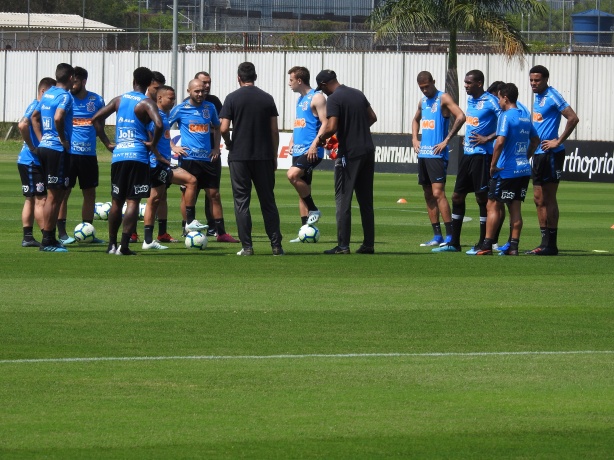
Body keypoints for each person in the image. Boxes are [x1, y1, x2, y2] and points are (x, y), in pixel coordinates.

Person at [92, 66, 165, 255]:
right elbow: (159, 123)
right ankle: (124, 246)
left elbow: (95, 119)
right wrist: (153, 144)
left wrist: (107, 143)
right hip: (138, 156)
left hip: (119, 156)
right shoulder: (146, 102)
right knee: (133, 201)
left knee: (116, 201)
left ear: (134, 81)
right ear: (149, 84)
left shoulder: (119, 100)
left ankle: (111, 245)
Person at [219, 62, 283, 256]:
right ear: (255, 76)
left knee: (241, 202)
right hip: (263, 156)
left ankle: (247, 246)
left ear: (239, 77)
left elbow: (223, 128)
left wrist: (229, 143)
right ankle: (276, 246)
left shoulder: (232, 98)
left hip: (240, 156)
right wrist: (274, 155)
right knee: (268, 201)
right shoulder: (267, 98)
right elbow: (274, 130)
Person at [434, 70, 500, 253]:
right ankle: (454, 242)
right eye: (465, 82)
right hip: (467, 154)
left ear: (479, 83)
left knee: (482, 198)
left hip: (482, 155)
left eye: (469, 83)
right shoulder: (471, 100)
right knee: (457, 196)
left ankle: (483, 242)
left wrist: (488, 138)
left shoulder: (491, 101)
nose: (465, 85)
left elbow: (506, 121)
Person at [315, 69, 378, 255]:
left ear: (325, 85)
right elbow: (372, 117)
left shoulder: (334, 98)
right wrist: (357, 129)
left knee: (343, 199)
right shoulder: (357, 93)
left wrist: (320, 139)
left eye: (322, 88)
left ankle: (343, 245)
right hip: (367, 149)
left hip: (349, 153)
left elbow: (332, 126)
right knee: (366, 200)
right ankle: (368, 244)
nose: (323, 92)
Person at [475, 83, 539, 256]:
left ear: (505, 98)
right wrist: (525, 157)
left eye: (499, 98)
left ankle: (487, 244)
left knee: (493, 204)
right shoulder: (525, 116)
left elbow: (500, 142)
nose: (498, 101)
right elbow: (535, 140)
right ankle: (513, 246)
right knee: (515, 208)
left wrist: (493, 164)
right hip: (523, 170)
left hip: (506, 170)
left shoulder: (506, 116)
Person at [170, 78, 237, 242]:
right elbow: (162, 127)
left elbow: (216, 127)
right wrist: (173, 146)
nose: (200, 94)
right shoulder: (180, 109)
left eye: (203, 91)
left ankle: (221, 233)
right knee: (187, 195)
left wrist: (216, 147)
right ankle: (187, 228)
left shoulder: (210, 107)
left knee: (214, 195)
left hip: (207, 159)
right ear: (189, 91)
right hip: (189, 159)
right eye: (197, 91)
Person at [526, 65, 579, 256]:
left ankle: (552, 244)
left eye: (537, 80)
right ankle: (544, 243)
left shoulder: (552, 95)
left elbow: (572, 118)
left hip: (550, 154)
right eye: (531, 80)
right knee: (538, 199)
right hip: (539, 153)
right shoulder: (538, 97)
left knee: (549, 198)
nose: (533, 83)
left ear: (546, 80)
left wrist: (558, 141)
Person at [142, 85, 203, 250]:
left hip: (160, 163)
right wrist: (159, 157)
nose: (173, 101)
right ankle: (189, 222)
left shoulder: (163, 116)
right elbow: (149, 138)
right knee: (191, 180)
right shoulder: (156, 116)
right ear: (160, 98)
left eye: (174, 98)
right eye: (170, 98)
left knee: (155, 200)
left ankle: (148, 241)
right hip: (155, 164)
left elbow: (161, 138)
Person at [411, 71, 465, 247]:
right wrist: (414, 138)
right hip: (424, 154)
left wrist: (447, 140)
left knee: (438, 193)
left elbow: (461, 116)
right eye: (422, 88)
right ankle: (437, 236)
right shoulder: (423, 101)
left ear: (433, 82)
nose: (425, 90)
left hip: (437, 154)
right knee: (428, 194)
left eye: (427, 86)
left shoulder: (443, 98)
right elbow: (415, 120)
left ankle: (450, 236)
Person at [57, 66, 106, 245]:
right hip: (69, 154)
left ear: (83, 81)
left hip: (88, 155)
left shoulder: (96, 100)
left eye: (75, 82)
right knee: (63, 193)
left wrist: (107, 142)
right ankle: (62, 233)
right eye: (71, 81)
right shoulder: (65, 98)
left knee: (90, 193)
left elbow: (100, 125)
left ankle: (88, 231)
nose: (72, 85)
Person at [30, 63, 75, 252]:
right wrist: (62, 139)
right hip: (57, 149)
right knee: (54, 196)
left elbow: (34, 116)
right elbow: (58, 117)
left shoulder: (47, 93)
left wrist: (41, 140)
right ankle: (48, 240)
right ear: (71, 77)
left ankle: (51, 239)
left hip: (44, 148)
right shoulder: (65, 96)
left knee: (53, 195)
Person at [286, 66, 328, 242]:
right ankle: (305, 230)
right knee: (302, 189)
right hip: (299, 149)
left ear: (299, 81)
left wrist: (315, 145)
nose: (289, 84)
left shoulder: (317, 97)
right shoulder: (299, 99)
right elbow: (301, 123)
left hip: (312, 151)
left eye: (291, 80)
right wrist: (292, 141)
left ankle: (314, 209)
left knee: (292, 175)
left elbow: (325, 123)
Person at [17, 77, 56, 247]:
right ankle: (46, 238)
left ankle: (27, 237)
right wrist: (33, 147)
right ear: (43, 91)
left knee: (30, 199)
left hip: (25, 161)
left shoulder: (37, 106)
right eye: (51, 92)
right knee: (41, 200)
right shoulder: (36, 106)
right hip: (31, 161)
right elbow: (22, 125)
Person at [193, 71, 225, 238]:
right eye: (204, 82)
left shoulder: (214, 102)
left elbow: (219, 125)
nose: (207, 86)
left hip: (211, 154)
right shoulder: (186, 104)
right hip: (192, 156)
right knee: (190, 191)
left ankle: (213, 227)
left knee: (212, 192)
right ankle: (188, 225)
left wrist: (216, 148)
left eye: (209, 82)